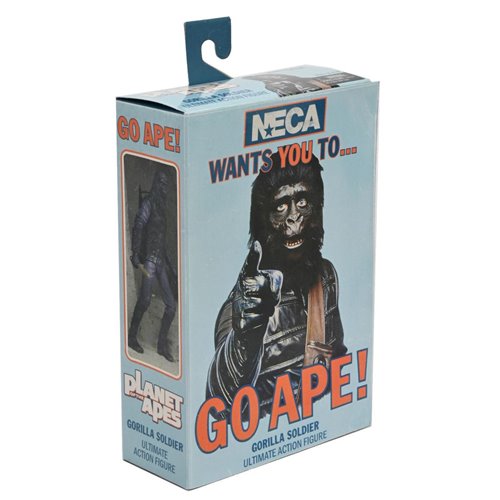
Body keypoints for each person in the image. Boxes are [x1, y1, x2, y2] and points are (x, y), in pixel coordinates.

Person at [128, 169, 177, 362]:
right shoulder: (148, 203)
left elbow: (161, 240)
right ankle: (132, 337)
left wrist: (170, 266)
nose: (164, 188)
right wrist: (135, 253)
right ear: (157, 184)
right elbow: (139, 226)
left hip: (160, 262)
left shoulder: (162, 209)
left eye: (166, 185)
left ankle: (161, 346)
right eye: (161, 184)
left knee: (171, 306)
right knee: (145, 300)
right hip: (148, 260)